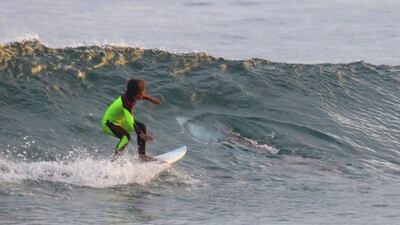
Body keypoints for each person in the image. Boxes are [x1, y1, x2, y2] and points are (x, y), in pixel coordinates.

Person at [101, 78, 161, 161]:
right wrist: (141, 134)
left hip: (120, 121)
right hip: (108, 124)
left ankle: (142, 156)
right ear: (136, 95)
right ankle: (114, 161)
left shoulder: (130, 95)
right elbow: (130, 121)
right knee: (126, 137)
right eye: (143, 92)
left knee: (142, 126)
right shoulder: (126, 103)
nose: (144, 93)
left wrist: (151, 99)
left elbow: (141, 96)